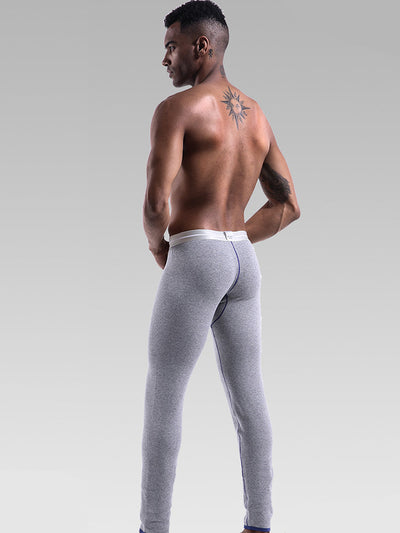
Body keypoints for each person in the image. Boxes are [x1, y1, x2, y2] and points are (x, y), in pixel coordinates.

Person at [139, 1, 300, 532]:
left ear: (201, 45)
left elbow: (155, 203)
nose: (165, 58)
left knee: (164, 394)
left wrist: (160, 247)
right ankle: (260, 523)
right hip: (242, 262)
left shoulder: (176, 109)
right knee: (249, 397)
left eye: (171, 46)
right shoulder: (257, 115)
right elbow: (288, 205)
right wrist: (234, 242)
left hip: (196, 255)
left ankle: (152, 527)